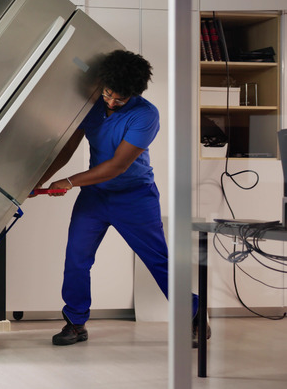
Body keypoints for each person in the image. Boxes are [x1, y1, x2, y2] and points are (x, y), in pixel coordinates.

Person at [30, 50, 202, 346]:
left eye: (119, 99)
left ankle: (195, 314)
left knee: (158, 261)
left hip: (135, 197)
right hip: (95, 197)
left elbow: (117, 165)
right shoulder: (92, 104)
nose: (111, 102)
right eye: (108, 94)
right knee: (77, 259)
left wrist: (70, 182)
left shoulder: (146, 115)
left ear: (132, 94)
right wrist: (40, 180)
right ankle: (75, 323)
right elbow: (67, 149)